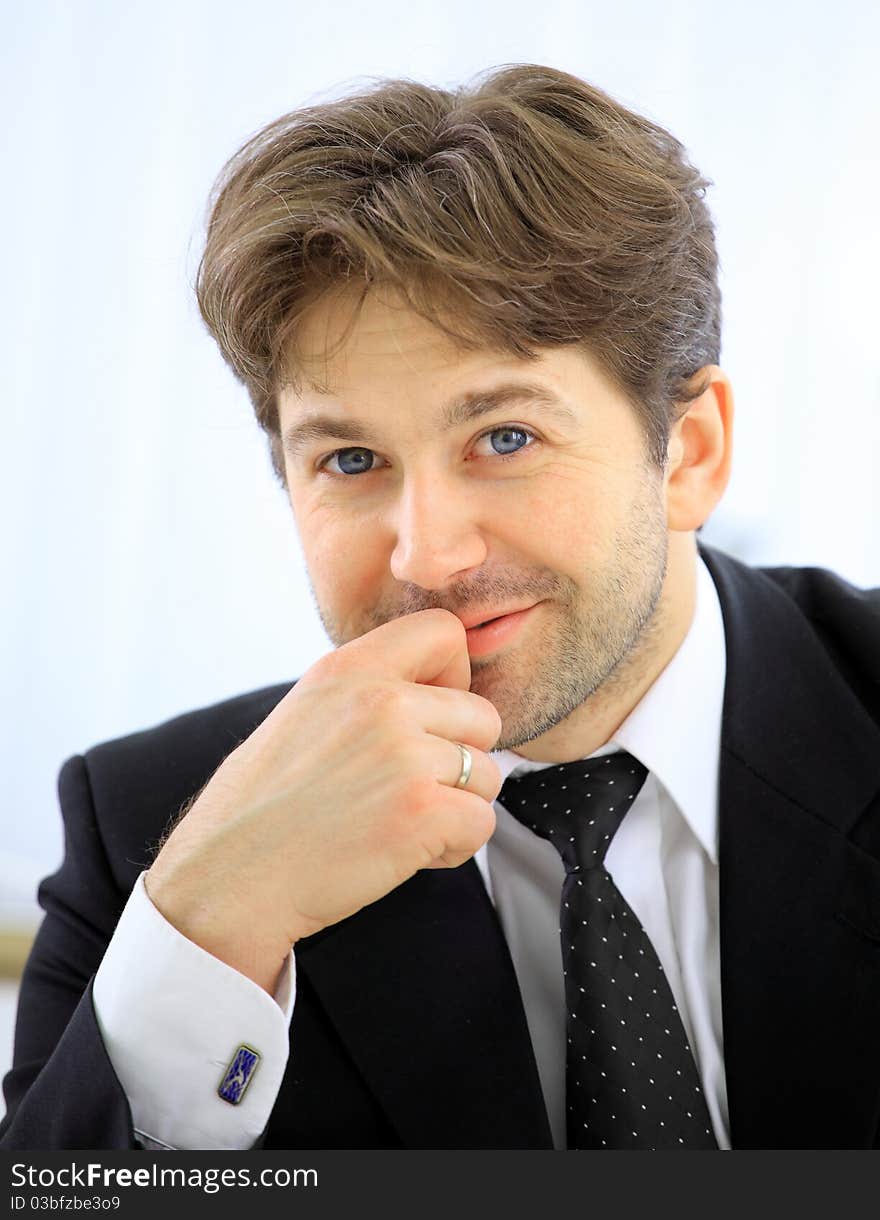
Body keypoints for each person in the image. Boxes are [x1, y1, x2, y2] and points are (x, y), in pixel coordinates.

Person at [3, 63, 880, 1152]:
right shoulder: (149, 830)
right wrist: (211, 924)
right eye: (351, 457)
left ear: (688, 453)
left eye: (503, 437)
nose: (429, 553)